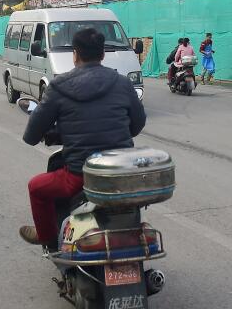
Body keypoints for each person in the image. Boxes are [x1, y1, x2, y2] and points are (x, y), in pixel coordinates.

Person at [19, 28, 146, 248]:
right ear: (103, 54)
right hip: (120, 173)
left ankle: (47, 237)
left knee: (36, 187)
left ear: (75, 54)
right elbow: (137, 125)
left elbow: (31, 136)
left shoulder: (58, 86)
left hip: (79, 176)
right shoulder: (123, 83)